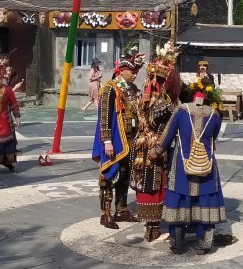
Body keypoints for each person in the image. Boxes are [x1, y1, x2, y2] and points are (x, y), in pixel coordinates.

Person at [152, 83, 226, 254]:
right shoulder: (214, 114)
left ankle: (177, 240)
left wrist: (157, 150)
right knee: (205, 197)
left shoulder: (181, 111)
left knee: (179, 195)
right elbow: (214, 137)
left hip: (182, 162)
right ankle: (204, 242)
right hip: (206, 163)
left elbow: (168, 133)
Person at [92, 51, 144, 229]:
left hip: (131, 139)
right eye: (132, 71)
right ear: (122, 70)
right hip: (115, 139)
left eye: (136, 71)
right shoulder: (110, 88)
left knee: (125, 174)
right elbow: (104, 116)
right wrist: (107, 141)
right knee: (109, 175)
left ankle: (121, 209)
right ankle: (105, 213)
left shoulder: (134, 89)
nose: (135, 74)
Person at [134, 44, 180, 242]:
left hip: (141, 145)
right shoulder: (165, 104)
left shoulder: (140, 99)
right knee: (156, 184)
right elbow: (169, 128)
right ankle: (154, 227)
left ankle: (150, 227)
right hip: (157, 147)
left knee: (145, 184)